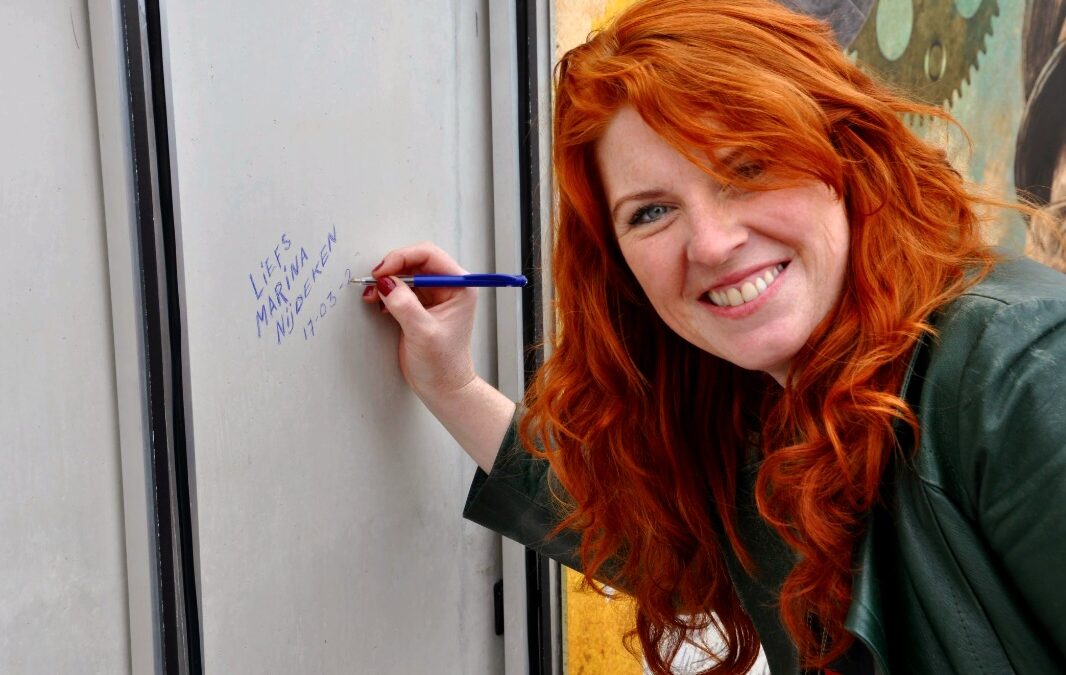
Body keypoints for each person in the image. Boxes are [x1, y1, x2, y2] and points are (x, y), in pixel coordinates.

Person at [361, 1, 1066, 673]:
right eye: (653, 211)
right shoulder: (775, 408)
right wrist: (448, 383)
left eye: (748, 168)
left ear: (847, 153)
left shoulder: (1022, 366)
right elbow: (654, 537)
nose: (713, 242)